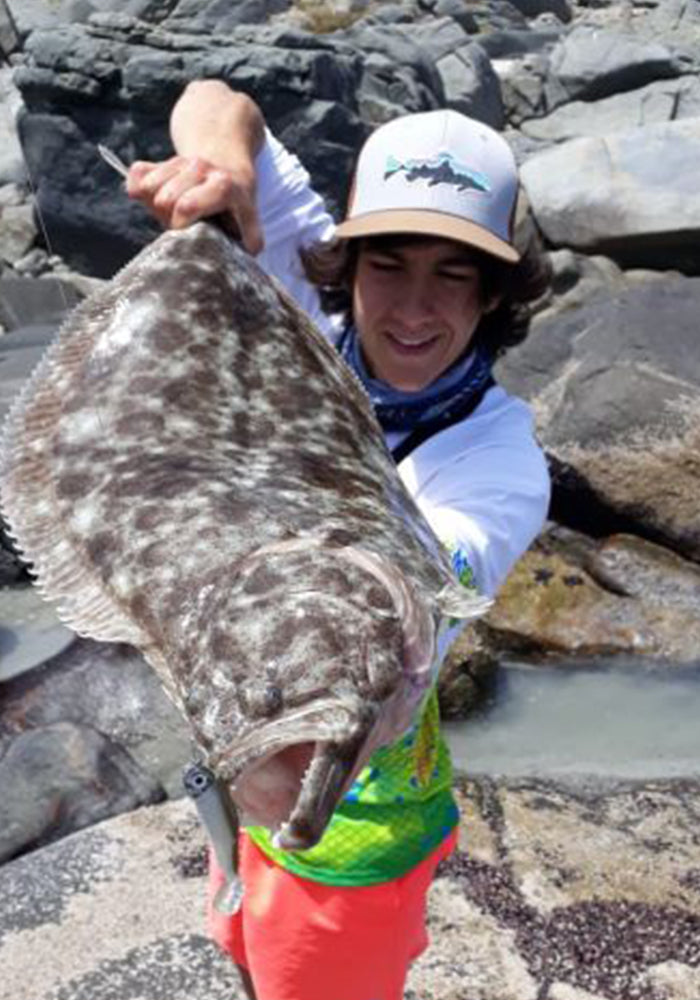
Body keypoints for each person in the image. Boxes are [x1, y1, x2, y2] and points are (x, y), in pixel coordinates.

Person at [127, 80, 551, 1000]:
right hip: (236, 746)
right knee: (243, 947)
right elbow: (213, 100)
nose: (412, 309)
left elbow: (415, 598)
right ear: (346, 260)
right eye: (388, 264)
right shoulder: (294, 300)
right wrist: (220, 171)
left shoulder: (499, 461)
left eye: (453, 275)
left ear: (493, 294)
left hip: (356, 827)